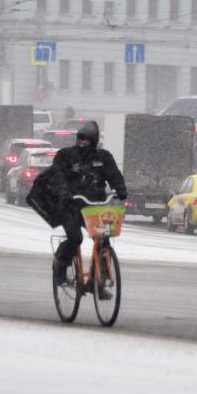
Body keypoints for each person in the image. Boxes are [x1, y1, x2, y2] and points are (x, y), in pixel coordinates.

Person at [26, 121, 127, 284]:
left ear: (94, 141)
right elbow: (58, 176)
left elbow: (114, 175)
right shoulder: (66, 156)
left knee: (103, 238)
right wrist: (64, 193)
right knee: (75, 238)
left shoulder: (103, 157)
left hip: (94, 206)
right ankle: (60, 266)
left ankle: (100, 279)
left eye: (86, 139)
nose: (82, 142)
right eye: (79, 138)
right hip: (71, 206)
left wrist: (120, 190)